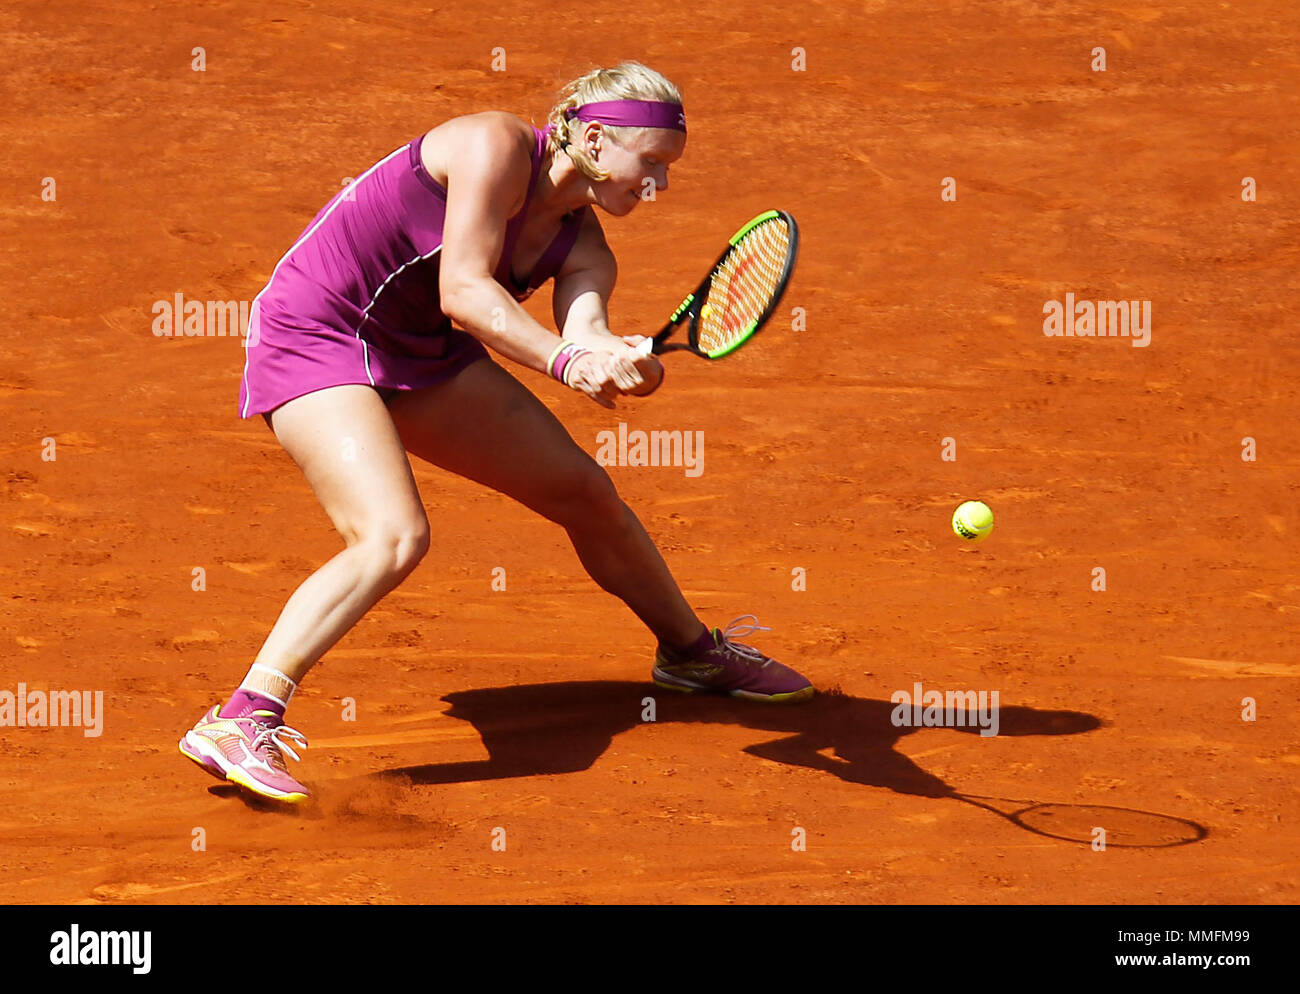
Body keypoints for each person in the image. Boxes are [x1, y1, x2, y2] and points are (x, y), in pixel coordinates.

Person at [179, 62, 814, 806]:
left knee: (584, 491)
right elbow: (464, 291)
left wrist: (621, 364)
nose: (659, 186)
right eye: (653, 166)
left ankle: (692, 654)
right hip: (318, 331)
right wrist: (564, 360)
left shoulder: (586, 249)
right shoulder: (491, 144)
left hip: (420, 353)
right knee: (392, 535)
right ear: (598, 139)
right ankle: (243, 717)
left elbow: (588, 332)